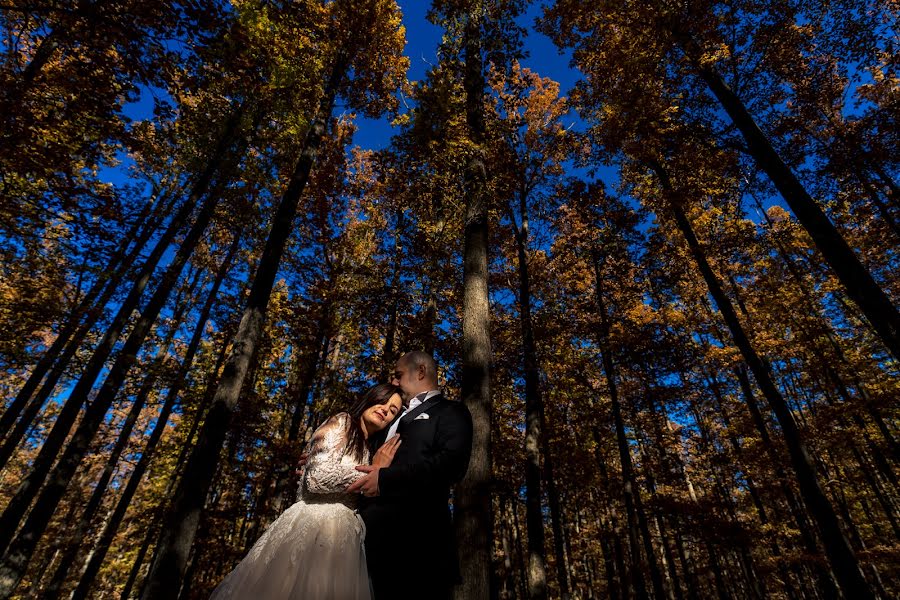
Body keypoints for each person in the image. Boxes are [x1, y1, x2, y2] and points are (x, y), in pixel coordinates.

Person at [209, 383, 404, 600]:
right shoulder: (343, 421)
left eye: (393, 410)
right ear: (370, 399)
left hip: (343, 540)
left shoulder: (370, 449)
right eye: (382, 401)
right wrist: (375, 474)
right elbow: (315, 477)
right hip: (311, 527)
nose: (386, 409)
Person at [349, 351, 473, 600]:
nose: (393, 382)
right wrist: (325, 456)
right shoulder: (387, 416)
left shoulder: (451, 412)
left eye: (398, 375)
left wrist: (385, 478)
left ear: (421, 372)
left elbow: (452, 464)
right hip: (361, 546)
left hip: (419, 550)